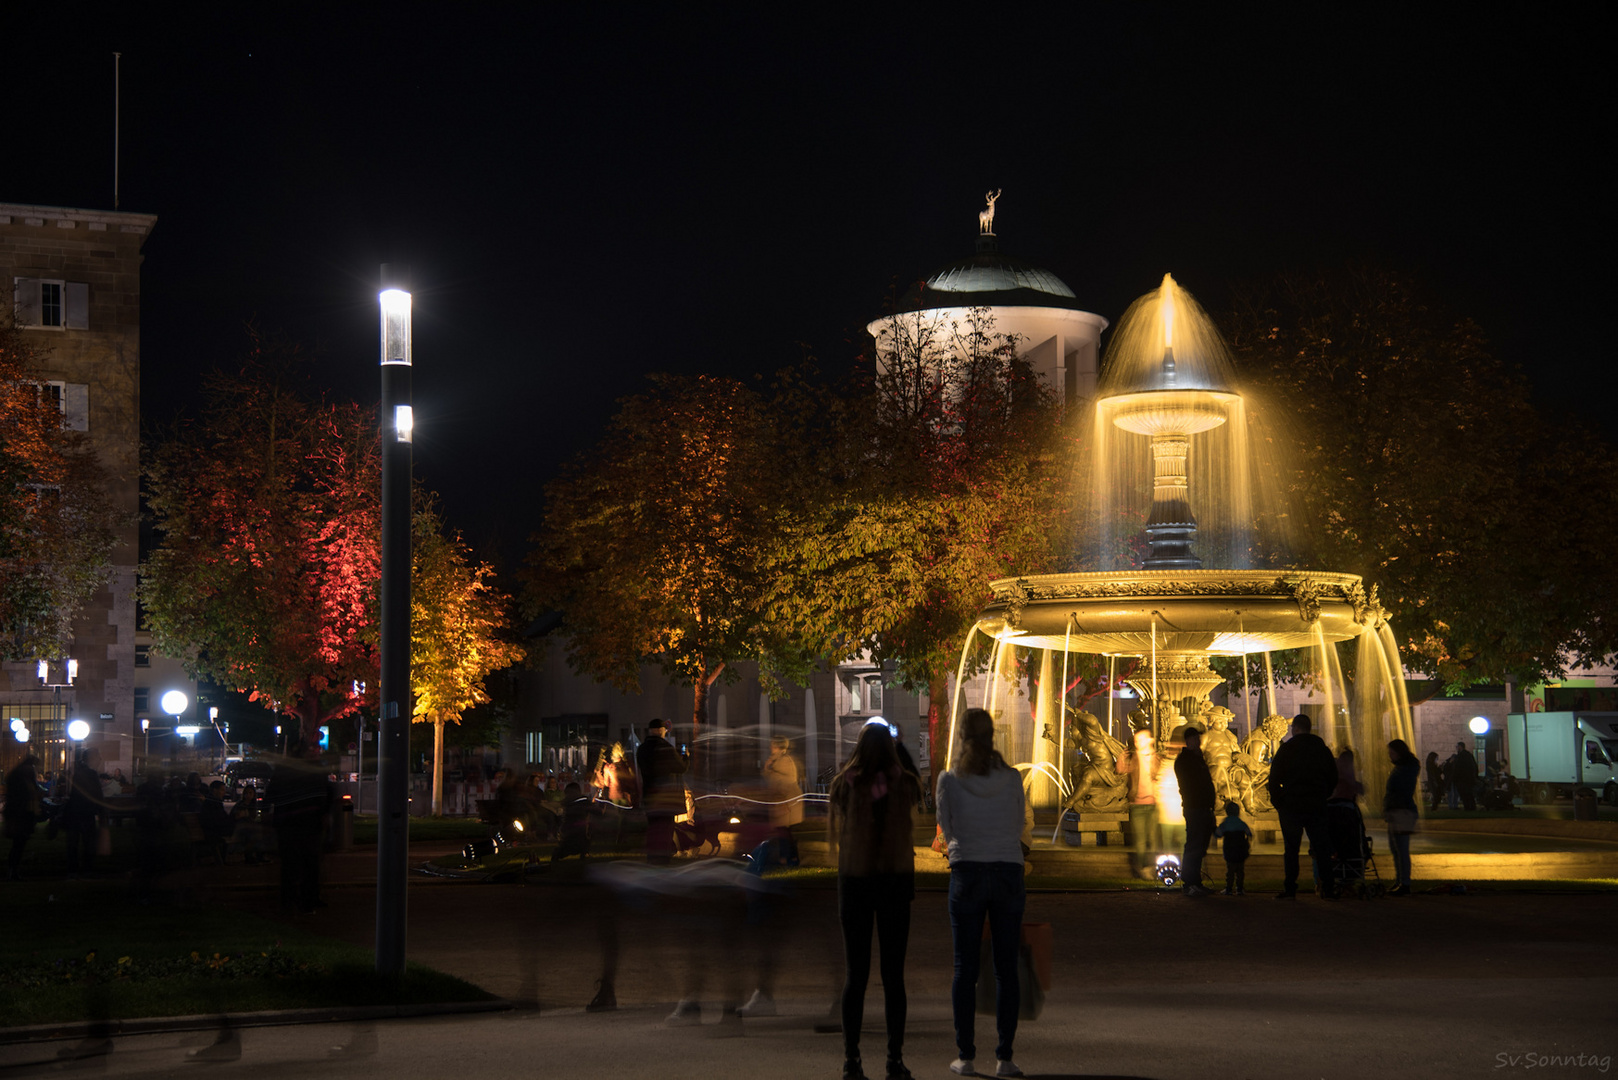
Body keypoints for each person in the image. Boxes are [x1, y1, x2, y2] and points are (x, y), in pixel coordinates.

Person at [936, 708, 1028, 1079]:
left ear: (961, 737)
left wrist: (968, 841)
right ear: (993, 737)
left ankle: (966, 1055)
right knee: (1007, 968)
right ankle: (1005, 1057)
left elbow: (946, 827)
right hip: (1007, 870)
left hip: (968, 871)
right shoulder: (1011, 778)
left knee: (965, 968)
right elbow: (1019, 823)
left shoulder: (949, 780)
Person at [830, 719, 921, 1080]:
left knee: (856, 976)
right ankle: (894, 1060)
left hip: (854, 881)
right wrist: (897, 750)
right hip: (895, 882)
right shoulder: (905, 785)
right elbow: (912, 776)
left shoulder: (844, 785)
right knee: (893, 977)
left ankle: (851, 1060)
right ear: (890, 749)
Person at [1266, 714, 1339, 900]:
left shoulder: (1287, 749)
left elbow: (1274, 779)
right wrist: (1324, 793)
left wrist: (1279, 802)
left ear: (1295, 729)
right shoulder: (1321, 749)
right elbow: (1333, 776)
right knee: (1321, 847)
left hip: (1292, 804)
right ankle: (1328, 888)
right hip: (1316, 803)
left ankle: (1290, 888)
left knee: (1291, 849)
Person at [269, 739, 332, 913]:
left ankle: (292, 900)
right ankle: (306, 900)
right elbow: (327, 792)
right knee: (308, 864)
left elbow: (272, 794)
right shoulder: (314, 770)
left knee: (294, 865)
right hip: (306, 823)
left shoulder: (285, 770)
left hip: (292, 823)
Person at [636, 719, 687, 865]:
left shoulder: (642, 749)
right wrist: (685, 758)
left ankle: (652, 857)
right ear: (660, 730)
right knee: (665, 829)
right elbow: (681, 767)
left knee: (653, 828)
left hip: (650, 796)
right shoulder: (666, 748)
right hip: (666, 797)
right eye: (664, 730)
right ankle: (663, 858)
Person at [1174, 727, 1216, 898]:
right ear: (1189, 740)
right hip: (1195, 807)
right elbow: (1192, 783)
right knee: (1194, 844)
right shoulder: (1185, 760)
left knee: (1199, 845)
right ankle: (1189, 882)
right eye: (1196, 739)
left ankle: (1195, 881)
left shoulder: (1197, 758)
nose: (1199, 742)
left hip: (1203, 807)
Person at [1116, 726, 1159, 880]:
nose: (1138, 742)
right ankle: (1143, 868)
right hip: (1137, 805)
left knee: (1152, 839)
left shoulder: (1156, 758)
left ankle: (1151, 867)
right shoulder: (1134, 758)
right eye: (1136, 740)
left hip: (1153, 805)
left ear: (1150, 740)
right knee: (1140, 840)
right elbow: (1121, 770)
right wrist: (1121, 758)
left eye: (1142, 738)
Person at [1383, 739, 1421, 896]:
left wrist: (1392, 806)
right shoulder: (1404, 767)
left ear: (1399, 753)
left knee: (1401, 849)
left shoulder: (1405, 769)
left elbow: (1400, 791)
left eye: (1392, 753)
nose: (1389, 756)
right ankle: (1400, 881)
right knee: (1396, 849)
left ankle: (1404, 883)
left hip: (1402, 812)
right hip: (1397, 811)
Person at [60, 748, 105, 875]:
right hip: (85, 813)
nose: (100, 760)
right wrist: (102, 812)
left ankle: (74, 870)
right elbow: (97, 794)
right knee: (88, 843)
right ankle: (85, 870)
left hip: (76, 813)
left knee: (74, 844)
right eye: (98, 756)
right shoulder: (90, 774)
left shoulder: (77, 771)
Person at [4, 755, 42, 880]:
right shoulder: (27, 773)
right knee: (19, 844)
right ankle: (13, 870)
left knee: (17, 844)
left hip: (16, 813)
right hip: (22, 814)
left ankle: (12, 870)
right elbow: (31, 791)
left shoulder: (17, 774)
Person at [763, 736, 804, 830]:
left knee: (783, 833)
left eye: (772, 745)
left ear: (778, 746)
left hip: (785, 804)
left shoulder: (783, 761)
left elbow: (780, 782)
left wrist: (768, 769)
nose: (770, 747)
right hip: (783, 803)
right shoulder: (776, 760)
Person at [1215, 800, 1253, 895]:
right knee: (1240, 870)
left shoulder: (1225, 823)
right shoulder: (1241, 823)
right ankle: (1239, 889)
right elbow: (1249, 833)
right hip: (1241, 849)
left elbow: (1218, 834)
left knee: (1230, 870)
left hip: (1229, 850)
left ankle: (1228, 889)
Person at [551, 781, 593, 863]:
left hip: (574, 834)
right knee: (569, 847)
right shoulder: (579, 803)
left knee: (568, 848)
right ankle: (583, 852)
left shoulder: (572, 803)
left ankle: (583, 852)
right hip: (573, 835)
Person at [1447, 741, 1479, 811]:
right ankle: (1471, 807)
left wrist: (1455, 777)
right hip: (1468, 779)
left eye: (1457, 747)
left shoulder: (1461, 756)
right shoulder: (1468, 755)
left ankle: (1468, 807)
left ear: (1460, 747)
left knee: (1464, 794)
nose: (1456, 748)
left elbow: (1458, 768)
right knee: (1469, 794)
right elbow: (1474, 766)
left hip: (1462, 779)